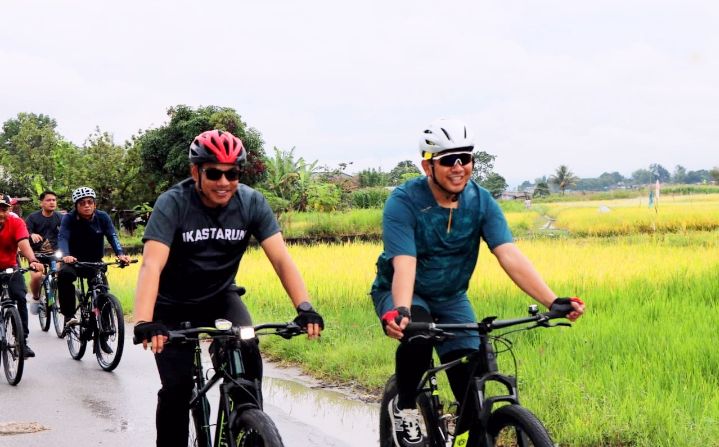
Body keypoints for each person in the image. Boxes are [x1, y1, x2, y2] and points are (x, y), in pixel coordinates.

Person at [370, 118, 585, 447]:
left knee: (472, 380)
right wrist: (400, 309)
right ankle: (405, 405)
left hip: (452, 297)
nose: (458, 167)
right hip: (405, 290)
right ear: (428, 165)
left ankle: (465, 432)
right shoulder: (404, 201)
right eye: (447, 159)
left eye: (465, 157)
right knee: (418, 337)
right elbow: (405, 263)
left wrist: (551, 300)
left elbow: (508, 254)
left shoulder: (481, 202)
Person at [133, 129, 325, 447]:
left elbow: (281, 258)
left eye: (232, 173)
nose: (224, 182)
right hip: (170, 304)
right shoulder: (173, 204)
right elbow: (151, 265)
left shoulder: (251, 203)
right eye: (214, 173)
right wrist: (143, 320)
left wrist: (304, 307)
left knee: (248, 355)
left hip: (220, 296)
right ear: (196, 172)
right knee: (177, 389)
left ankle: (248, 426)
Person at [57, 187, 131, 329]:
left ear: (95, 204)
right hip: (74, 261)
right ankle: (69, 315)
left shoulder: (102, 217)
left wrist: (120, 253)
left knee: (102, 290)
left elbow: (112, 236)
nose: (87, 205)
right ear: (76, 206)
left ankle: (106, 328)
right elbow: (63, 237)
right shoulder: (69, 218)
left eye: (90, 202)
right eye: (82, 203)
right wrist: (66, 255)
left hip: (94, 261)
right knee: (64, 275)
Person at [0, 193, 45, 358]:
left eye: (3, 209)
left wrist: (33, 260)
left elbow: (23, 244)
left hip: (11, 268)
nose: (0, 213)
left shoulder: (16, 222)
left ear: (9, 209)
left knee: (19, 296)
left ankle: (22, 341)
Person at [25, 190, 63, 315]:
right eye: (48, 200)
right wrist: (31, 235)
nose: (52, 202)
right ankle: (36, 298)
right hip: (37, 254)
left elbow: (67, 234)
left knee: (59, 274)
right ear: (41, 203)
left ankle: (52, 299)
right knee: (36, 277)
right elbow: (24, 234)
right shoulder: (32, 218)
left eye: (54, 200)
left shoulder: (60, 218)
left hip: (55, 255)